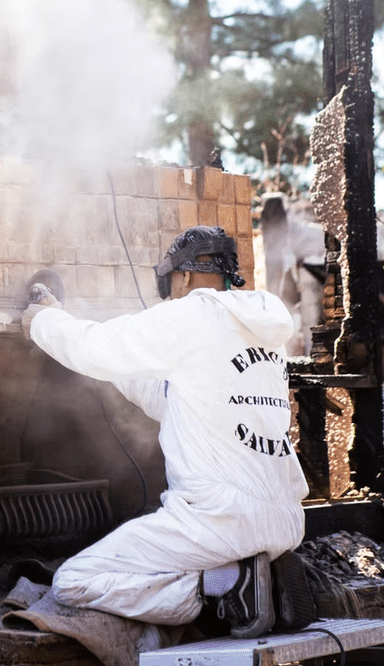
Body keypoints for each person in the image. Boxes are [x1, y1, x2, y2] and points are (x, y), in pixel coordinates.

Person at [21, 226, 309, 638]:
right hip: (283, 520)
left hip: (219, 520)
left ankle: (222, 590)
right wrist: (118, 374)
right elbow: (170, 397)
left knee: (75, 580)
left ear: (185, 276)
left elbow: (99, 347)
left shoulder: (191, 313)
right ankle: (261, 578)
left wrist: (44, 321)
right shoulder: (263, 330)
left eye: (172, 283)